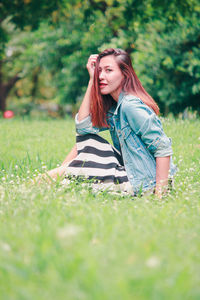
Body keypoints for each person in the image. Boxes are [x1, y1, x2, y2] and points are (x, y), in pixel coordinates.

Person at [44, 48, 176, 197]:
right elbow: (83, 128)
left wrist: (160, 195)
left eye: (108, 70)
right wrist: (91, 80)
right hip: (132, 175)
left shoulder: (130, 105)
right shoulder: (114, 108)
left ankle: (45, 181)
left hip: (143, 184)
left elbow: (162, 148)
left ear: (124, 74)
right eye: (99, 71)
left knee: (73, 174)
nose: (100, 76)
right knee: (86, 140)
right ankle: (58, 177)